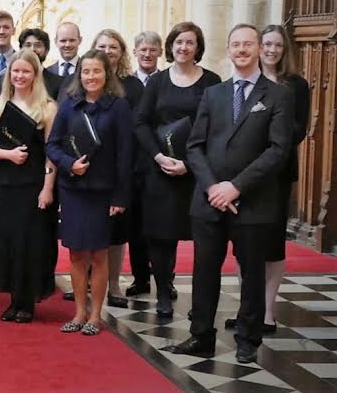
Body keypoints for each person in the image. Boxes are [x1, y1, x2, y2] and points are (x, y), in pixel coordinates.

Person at [163, 24, 293, 364]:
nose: (241, 50)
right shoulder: (214, 94)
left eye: (248, 44)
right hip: (209, 200)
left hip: (252, 201)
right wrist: (212, 187)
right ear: (229, 49)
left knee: (251, 272)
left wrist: (235, 187)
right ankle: (201, 334)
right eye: (235, 44)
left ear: (259, 49)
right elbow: (194, 147)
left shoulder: (277, 96)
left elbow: (278, 151)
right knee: (205, 271)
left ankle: (248, 338)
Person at [221, 24, 310, 334]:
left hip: (276, 175)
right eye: (267, 44)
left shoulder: (294, 86)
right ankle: (249, 310)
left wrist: (266, 150)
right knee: (245, 245)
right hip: (241, 177)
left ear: (284, 50)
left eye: (277, 46)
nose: (271, 50)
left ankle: (268, 312)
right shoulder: (244, 80)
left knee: (271, 245)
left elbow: (297, 131)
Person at [134, 22, 221, 318]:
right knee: (161, 235)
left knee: (202, 238)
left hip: (197, 172)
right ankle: (163, 292)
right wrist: (158, 157)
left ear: (198, 48)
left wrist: (190, 163)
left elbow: (217, 128)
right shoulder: (157, 82)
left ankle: (202, 302)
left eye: (190, 43)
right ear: (170, 46)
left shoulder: (212, 81)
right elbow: (141, 122)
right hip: (161, 169)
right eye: (179, 42)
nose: (183, 47)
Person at [46, 50, 133, 336]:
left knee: (98, 256)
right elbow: (52, 146)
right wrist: (70, 164)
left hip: (103, 192)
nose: (91, 77)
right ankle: (79, 312)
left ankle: (96, 315)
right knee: (75, 254)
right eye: (86, 71)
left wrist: (121, 196)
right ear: (79, 75)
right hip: (73, 190)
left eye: (97, 71)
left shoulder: (118, 107)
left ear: (106, 74)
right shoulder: (69, 105)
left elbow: (125, 154)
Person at [0, 50, 57, 324]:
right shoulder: (1, 105)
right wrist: (8, 155)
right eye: (16, 71)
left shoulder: (47, 107)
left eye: (26, 71)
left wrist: (48, 188)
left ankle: (27, 302)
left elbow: (51, 154)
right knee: (8, 241)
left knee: (30, 243)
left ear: (35, 75)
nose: (20, 76)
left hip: (33, 185)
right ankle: (14, 300)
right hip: (6, 185)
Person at [92, 29, 145, 308]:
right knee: (89, 229)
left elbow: (138, 128)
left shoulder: (133, 87)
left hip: (121, 170)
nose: (108, 50)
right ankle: (89, 282)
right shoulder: (87, 80)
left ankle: (112, 284)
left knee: (116, 232)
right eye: (102, 46)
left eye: (114, 46)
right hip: (89, 169)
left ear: (122, 51)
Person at [124, 30, 162, 297]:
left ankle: (165, 280)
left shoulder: (167, 81)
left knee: (163, 226)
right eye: (142, 49)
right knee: (136, 226)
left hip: (162, 160)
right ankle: (140, 278)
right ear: (135, 52)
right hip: (133, 163)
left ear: (160, 52)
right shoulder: (125, 84)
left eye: (152, 49)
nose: (147, 54)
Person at [0, 28, 64, 99]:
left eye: (38, 45)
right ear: (20, 49)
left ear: (46, 50)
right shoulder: (6, 81)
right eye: (28, 45)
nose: (32, 49)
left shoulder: (57, 83)